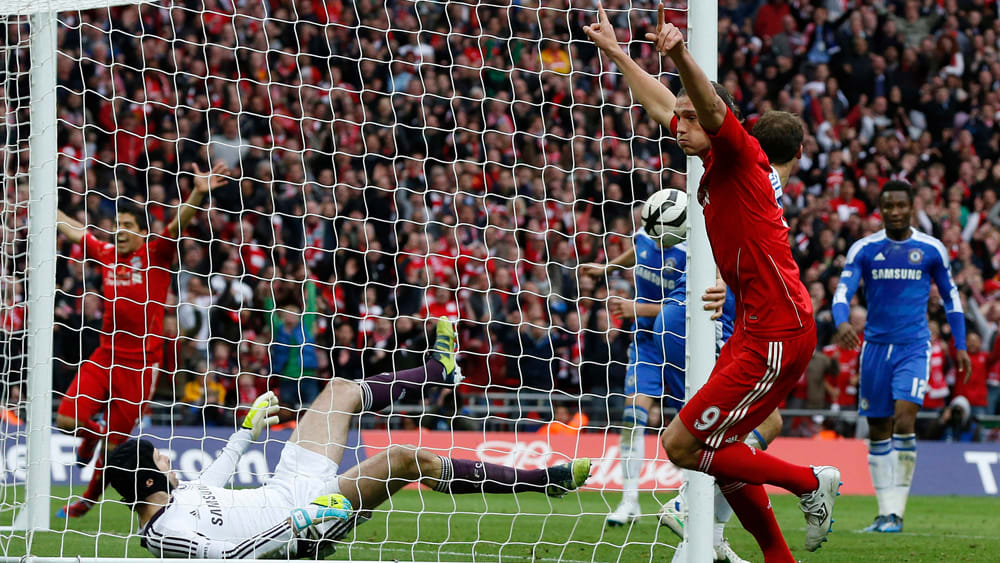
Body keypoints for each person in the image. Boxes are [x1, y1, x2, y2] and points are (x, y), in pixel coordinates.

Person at [585, 6, 840, 561]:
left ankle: (808, 481)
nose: (678, 127)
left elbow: (709, 106)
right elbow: (664, 104)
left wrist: (679, 53)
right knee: (721, 447)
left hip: (777, 330)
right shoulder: (708, 157)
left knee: (681, 444)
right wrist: (618, 54)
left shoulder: (740, 154)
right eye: (677, 120)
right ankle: (777, 555)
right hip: (755, 323)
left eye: (689, 119)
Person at [105, 319, 592, 558]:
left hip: (286, 489)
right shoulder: (165, 535)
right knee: (402, 458)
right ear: (147, 481)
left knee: (338, 389)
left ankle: (437, 369)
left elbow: (215, 476)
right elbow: (236, 557)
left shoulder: (180, 495)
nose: (169, 459)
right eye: (160, 459)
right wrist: (299, 522)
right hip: (300, 528)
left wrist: (245, 434)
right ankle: (542, 481)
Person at [657, 110, 808, 563]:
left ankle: (712, 531)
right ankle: (690, 506)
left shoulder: (737, 172)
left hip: (740, 315)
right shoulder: (759, 176)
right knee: (717, 435)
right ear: (800, 154)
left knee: (739, 431)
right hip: (751, 322)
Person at [55, 163, 229, 518]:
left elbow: (177, 224)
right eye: (117, 225)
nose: (120, 231)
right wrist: (44, 204)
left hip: (140, 367)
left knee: (115, 447)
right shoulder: (106, 253)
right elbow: (76, 231)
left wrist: (198, 193)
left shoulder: (156, 254)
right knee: (67, 421)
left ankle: (87, 501)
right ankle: (92, 435)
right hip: (105, 356)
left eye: (128, 226)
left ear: (142, 232)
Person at [833, 181, 971, 533]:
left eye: (901, 205)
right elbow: (842, 292)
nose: (895, 212)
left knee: (905, 418)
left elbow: (952, 299)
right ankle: (885, 514)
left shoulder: (931, 249)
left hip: (914, 346)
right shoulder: (864, 248)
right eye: (888, 206)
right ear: (880, 209)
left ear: (912, 207)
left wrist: (960, 344)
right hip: (875, 348)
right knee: (879, 428)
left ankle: (897, 512)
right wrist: (842, 321)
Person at [578, 195, 687, 529]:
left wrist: (635, 308)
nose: (651, 238)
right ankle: (629, 501)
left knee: (691, 427)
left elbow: (686, 305)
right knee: (631, 417)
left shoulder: (691, 255)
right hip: (646, 343)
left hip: (682, 345)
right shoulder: (646, 234)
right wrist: (607, 268)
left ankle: (689, 500)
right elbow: (638, 249)